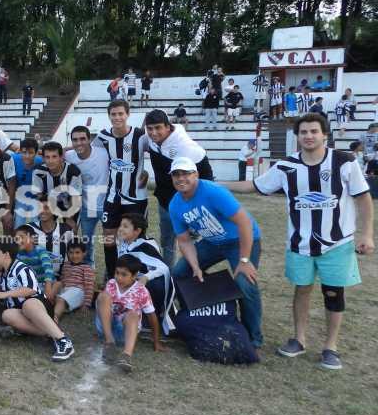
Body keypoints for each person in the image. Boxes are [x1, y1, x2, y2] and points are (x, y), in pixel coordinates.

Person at [225, 113, 374, 369]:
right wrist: (214, 184)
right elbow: (254, 186)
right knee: (301, 289)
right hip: (299, 244)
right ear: (297, 136)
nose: (308, 136)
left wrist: (367, 233)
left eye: (314, 131)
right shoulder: (287, 166)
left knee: (333, 293)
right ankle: (299, 339)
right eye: (303, 132)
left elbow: (363, 198)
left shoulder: (345, 162)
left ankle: (331, 347)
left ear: (325, 134)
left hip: (337, 243)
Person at [168, 157, 263, 348]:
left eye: (186, 173)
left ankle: (253, 336)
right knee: (180, 272)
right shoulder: (175, 204)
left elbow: (244, 222)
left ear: (196, 174)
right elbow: (184, 240)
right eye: (176, 174)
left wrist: (244, 260)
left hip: (241, 239)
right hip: (213, 241)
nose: (181, 178)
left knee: (244, 281)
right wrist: (195, 267)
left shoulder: (213, 192)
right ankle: (195, 316)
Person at [144, 109, 214, 266]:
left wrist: (198, 202)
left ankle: (193, 273)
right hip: (165, 202)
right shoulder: (150, 140)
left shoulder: (186, 147)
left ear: (168, 126)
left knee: (191, 243)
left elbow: (207, 175)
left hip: (188, 205)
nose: (153, 133)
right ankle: (169, 276)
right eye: (150, 128)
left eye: (158, 128)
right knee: (167, 242)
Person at [0, 243, 75, 361]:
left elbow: (31, 289)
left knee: (28, 305)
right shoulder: (3, 275)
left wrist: (5, 294)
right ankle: (51, 333)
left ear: (6, 255)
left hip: (39, 307)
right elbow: (4, 300)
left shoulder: (21, 268)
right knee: (6, 315)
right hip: (24, 313)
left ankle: (63, 341)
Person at [93, 100, 148, 278]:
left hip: (136, 198)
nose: (117, 117)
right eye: (113, 114)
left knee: (135, 238)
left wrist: (146, 173)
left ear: (127, 114)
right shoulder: (102, 136)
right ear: (109, 116)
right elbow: (89, 152)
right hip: (112, 197)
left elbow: (156, 153)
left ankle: (136, 277)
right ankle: (111, 275)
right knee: (108, 237)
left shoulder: (140, 136)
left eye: (120, 114)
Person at [95, 254, 165, 371]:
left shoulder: (141, 291)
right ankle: (109, 342)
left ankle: (126, 355)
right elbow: (104, 307)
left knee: (133, 314)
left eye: (124, 274)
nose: (119, 277)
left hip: (124, 334)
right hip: (106, 330)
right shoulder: (111, 283)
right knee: (103, 296)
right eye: (117, 273)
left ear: (134, 275)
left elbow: (152, 317)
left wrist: (156, 341)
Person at [65, 126, 109, 265]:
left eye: (82, 139)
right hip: (86, 207)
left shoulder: (103, 153)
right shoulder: (68, 156)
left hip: (107, 205)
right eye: (75, 140)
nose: (79, 143)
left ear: (90, 139)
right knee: (87, 243)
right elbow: (55, 154)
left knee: (111, 242)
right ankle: (89, 269)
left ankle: (111, 271)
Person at [51, 241, 94, 323]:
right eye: (71, 253)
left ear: (84, 253)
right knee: (57, 284)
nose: (74, 256)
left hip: (77, 291)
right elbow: (63, 279)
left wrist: (86, 304)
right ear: (67, 253)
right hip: (65, 290)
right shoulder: (66, 265)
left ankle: (54, 318)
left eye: (77, 253)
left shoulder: (86, 268)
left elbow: (89, 286)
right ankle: (49, 300)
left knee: (61, 300)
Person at [11, 138, 44, 227]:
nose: (27, 156)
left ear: (36, 153)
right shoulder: (14, 159)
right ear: (20, 151)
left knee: (36, 224)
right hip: (20, 197)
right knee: (18, 224)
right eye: (24, 152)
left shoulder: (40, 162)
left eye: (31, 153)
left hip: (36, 198)